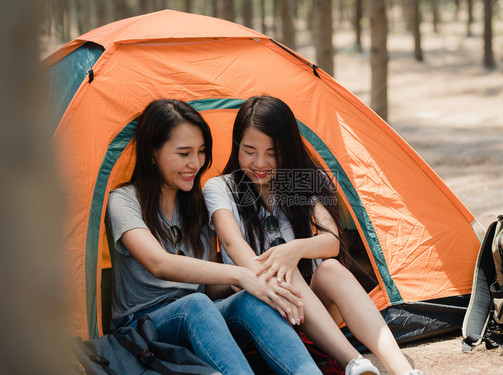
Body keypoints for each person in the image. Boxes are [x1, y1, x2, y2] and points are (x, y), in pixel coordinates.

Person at [204, 95, 424, 375]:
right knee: (282, 268)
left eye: (273, 152)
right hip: (258, 306)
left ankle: (404, 371)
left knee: (328, 268)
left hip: (310, 312)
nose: (260, 162)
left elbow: (332, 241)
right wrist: (274, 270)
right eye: (249, 150)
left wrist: (294, 249)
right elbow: (233, 244)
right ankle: (355, 362)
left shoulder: (300, 181)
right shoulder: (219, 188)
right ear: (236, 146)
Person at [105, 98, 322, 375]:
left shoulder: (196, 206)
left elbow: (209, 289)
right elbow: (158, 263)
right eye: (184, 154)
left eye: (201, 152)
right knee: (197, 304)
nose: (195, 163)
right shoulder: (123, 201)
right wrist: (241, 275)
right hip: (142, 327)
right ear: (152, 153)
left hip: (204, 317)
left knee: (247, 299)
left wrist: (246, 287)